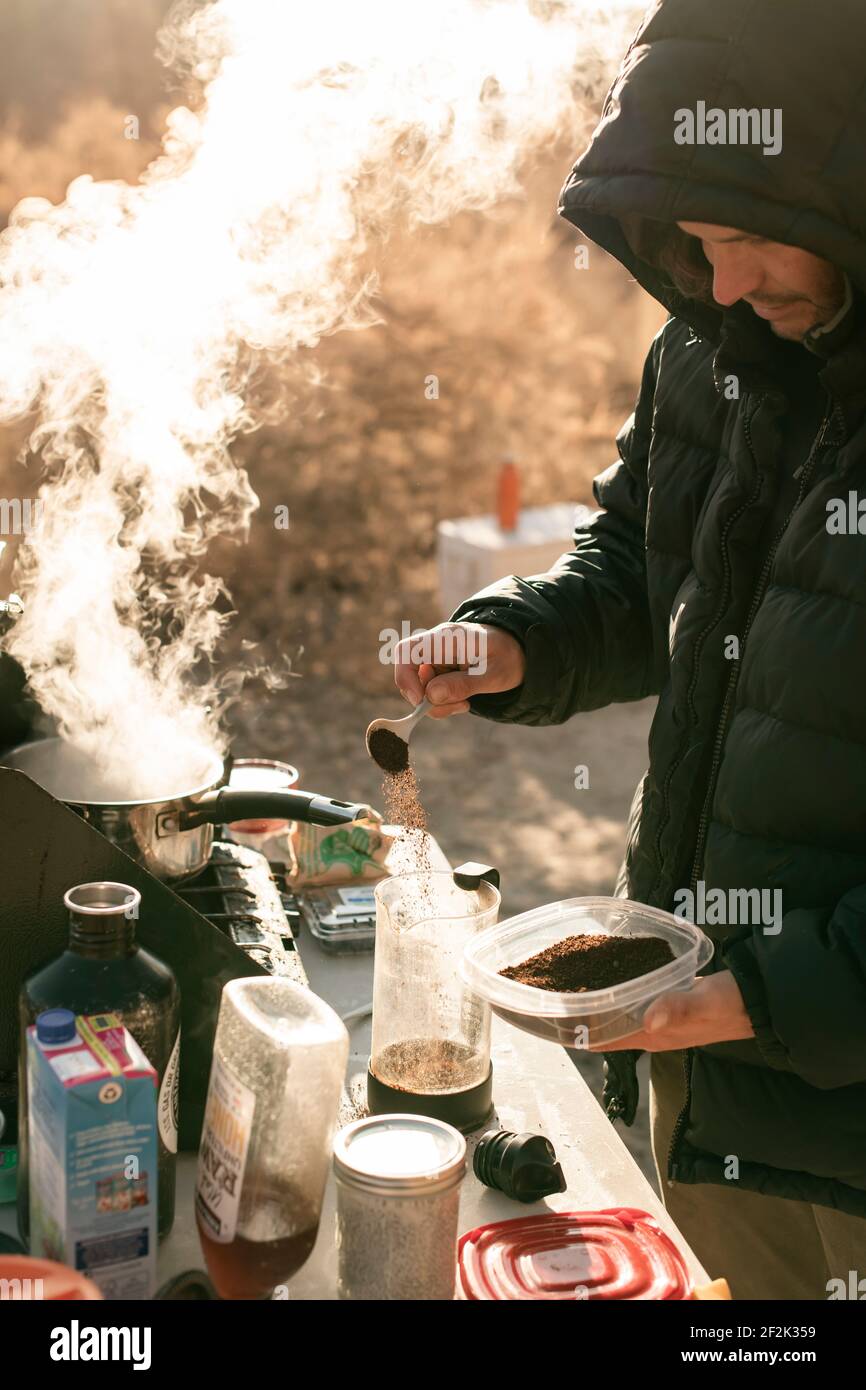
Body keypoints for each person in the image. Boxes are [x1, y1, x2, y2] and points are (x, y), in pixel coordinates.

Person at [394, 0, 866, 1299]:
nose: (718, 283)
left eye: (748, 235)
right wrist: (513, 643)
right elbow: (644, 577)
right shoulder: (716, 354)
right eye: (693, 244)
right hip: (714, 1066)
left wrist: (781, 991)